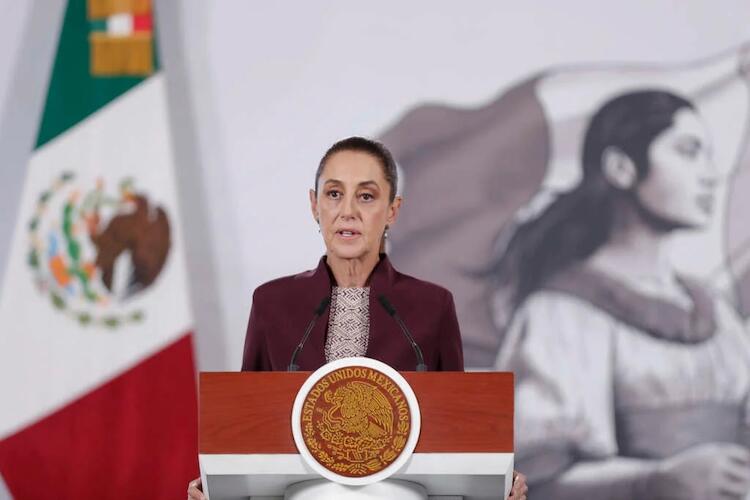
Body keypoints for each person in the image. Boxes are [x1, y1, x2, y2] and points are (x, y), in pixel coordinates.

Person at [189, 137, 528, 499]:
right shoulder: (273, 304)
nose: (347, 211)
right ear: (314, 205)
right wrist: (216, 487)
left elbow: (460, 434)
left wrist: (498, 481)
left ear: (393, 210)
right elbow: (245, 430)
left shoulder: (432, 306)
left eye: (366, 196)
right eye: (334, 194)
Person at [493, 90, 750, 499]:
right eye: (688, 152)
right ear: (621, 168)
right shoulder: (562, 314)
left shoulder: (716, 312)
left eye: (708, 155)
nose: (710, 175)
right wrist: (656, 480)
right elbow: (530, 478)